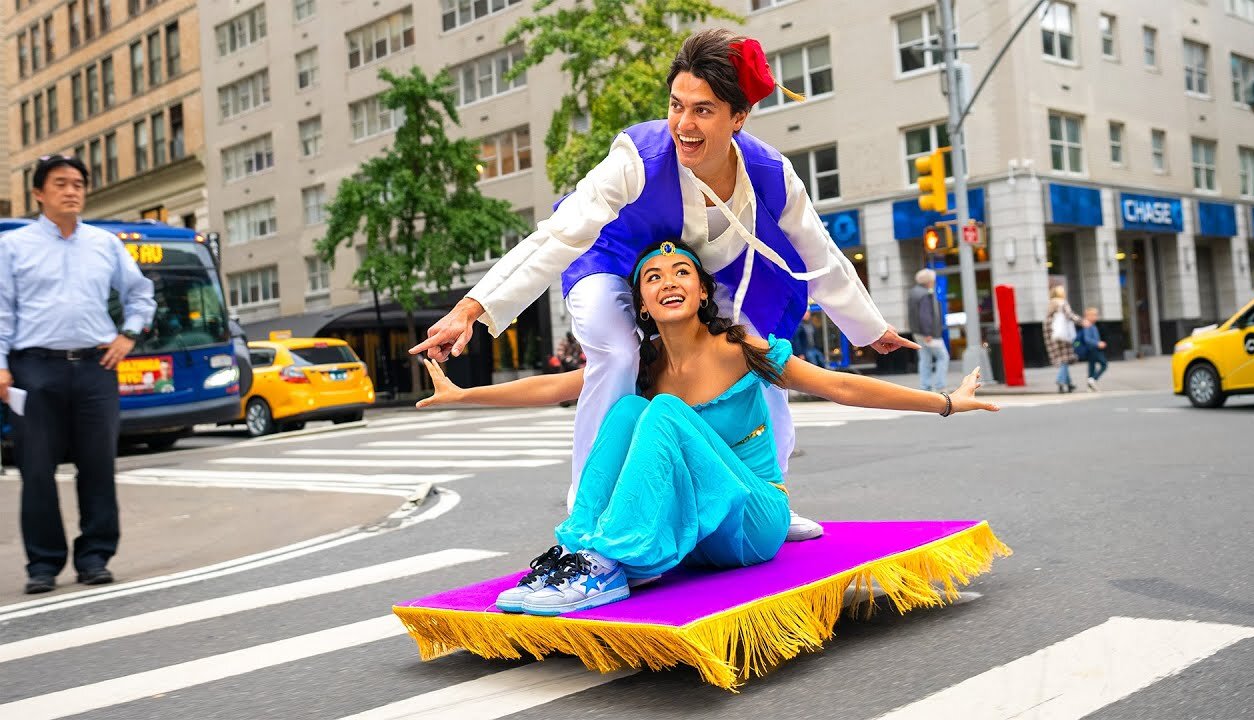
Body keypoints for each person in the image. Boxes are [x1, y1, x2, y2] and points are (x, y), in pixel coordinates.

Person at [411, 29, 916, 543]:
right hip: (607, 256)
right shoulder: (639, 154)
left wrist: (869, 328)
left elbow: (821, 253)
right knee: (617, 350)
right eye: (677, 105)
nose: (684, 124)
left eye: (704, 110)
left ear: (738, 118)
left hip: (688, 268)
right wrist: (473, 307)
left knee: (753, 353)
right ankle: (592, 508)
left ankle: (767, 497)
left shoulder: (771, 174)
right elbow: (559, 236)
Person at [415, 240, 997, 616]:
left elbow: (840, 386)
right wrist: (463, 395)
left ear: (699, 289)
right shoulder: (640, 363)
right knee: (625, 409)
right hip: (699, 530)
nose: (669, 281)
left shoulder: (739, 346)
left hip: (752, 519)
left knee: (662, 411)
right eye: (653, 277)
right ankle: (580, 553)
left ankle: (609, 565)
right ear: (640, 301)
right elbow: (558, 387)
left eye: (682, 271)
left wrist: (945, 401)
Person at [0, 155, 156, 594]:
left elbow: (141, 293)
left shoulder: (105, 244)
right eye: (61, 183)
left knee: (98, 466)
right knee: (36, 469)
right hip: (34, 369)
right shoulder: (13, 247)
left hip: (95, 367)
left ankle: (95, 557)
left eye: (78, 184)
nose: (72, 191)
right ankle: (43, 565)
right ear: (38, 194)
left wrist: (128, 335)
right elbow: (1, 312)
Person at [908, 269, 949, 392]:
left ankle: (925, 386)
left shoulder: (913, 293)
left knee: (925, 359)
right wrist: (928, 333)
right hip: (929, 334)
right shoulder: (926, 294)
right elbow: (925, 315)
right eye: (933, 280)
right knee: (943, 357)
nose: (934, 282)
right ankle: (940, 385)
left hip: (917, 332)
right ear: (929, 281)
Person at [1043, 286, 1081, 393]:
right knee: (1064, 359)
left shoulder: (1051, 304)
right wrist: (1081, 321)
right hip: (1062, 334)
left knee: (1063, 359)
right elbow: (1070, 315)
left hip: (1051, 334)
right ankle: (1060, 380)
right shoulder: (1062, 303)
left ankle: (1069, 384)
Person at [1076, 307, 1107, 391]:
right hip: (1093, 349)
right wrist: (1098, 343)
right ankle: (1093, 379)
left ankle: (1090, 386)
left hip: (1092, 349)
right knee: (1104, 364)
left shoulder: (1092, 325)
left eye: (1096, 315)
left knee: (1092, 367)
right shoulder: (1088, 326)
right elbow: (1087, 339)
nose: (1096, 317)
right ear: (1087, 316)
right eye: (1094, 315)